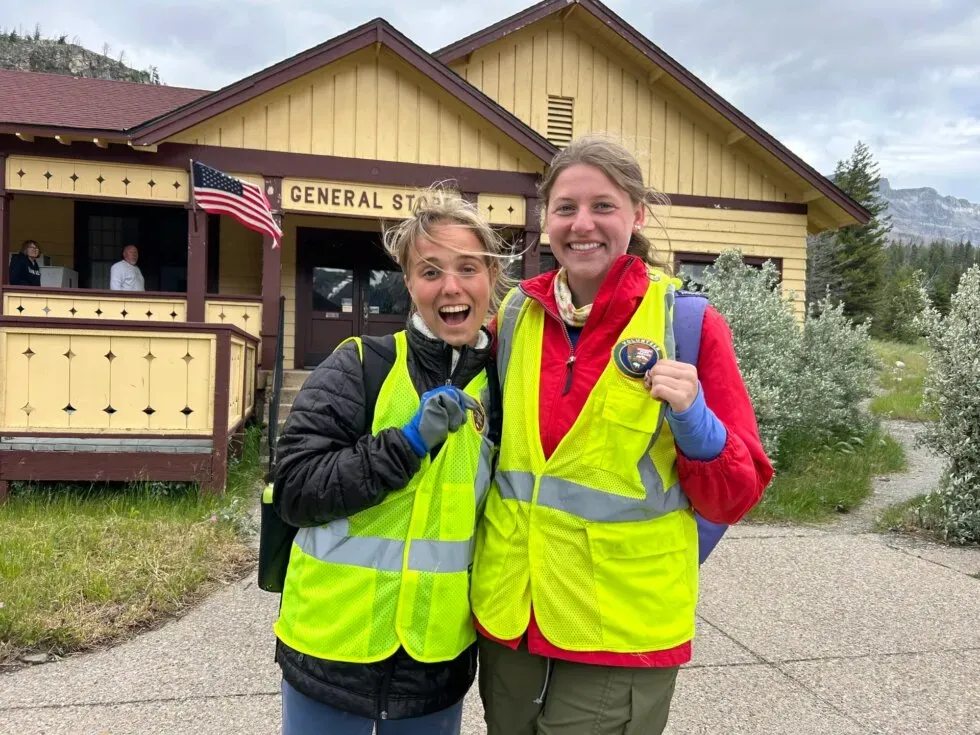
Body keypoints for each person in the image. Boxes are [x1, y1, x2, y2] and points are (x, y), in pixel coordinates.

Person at [472, 135, 775, 735]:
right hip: (511, 615)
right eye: (566, 207)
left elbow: (735, 495)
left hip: (620, 626)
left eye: (603, 206)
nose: (582, 224)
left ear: (636, 215)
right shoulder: (513, 317)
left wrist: (696, 423)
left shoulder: (687, 324)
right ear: (544, 220)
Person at [271, 191, 511, 734]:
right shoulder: (359, 364)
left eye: (467, 268)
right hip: (330, 654)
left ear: (490, 276)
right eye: (431, 271)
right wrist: (404, 445)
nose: (450, 286)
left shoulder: (505, 388)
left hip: (434, 666)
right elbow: (295, 491)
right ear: (408, 283)